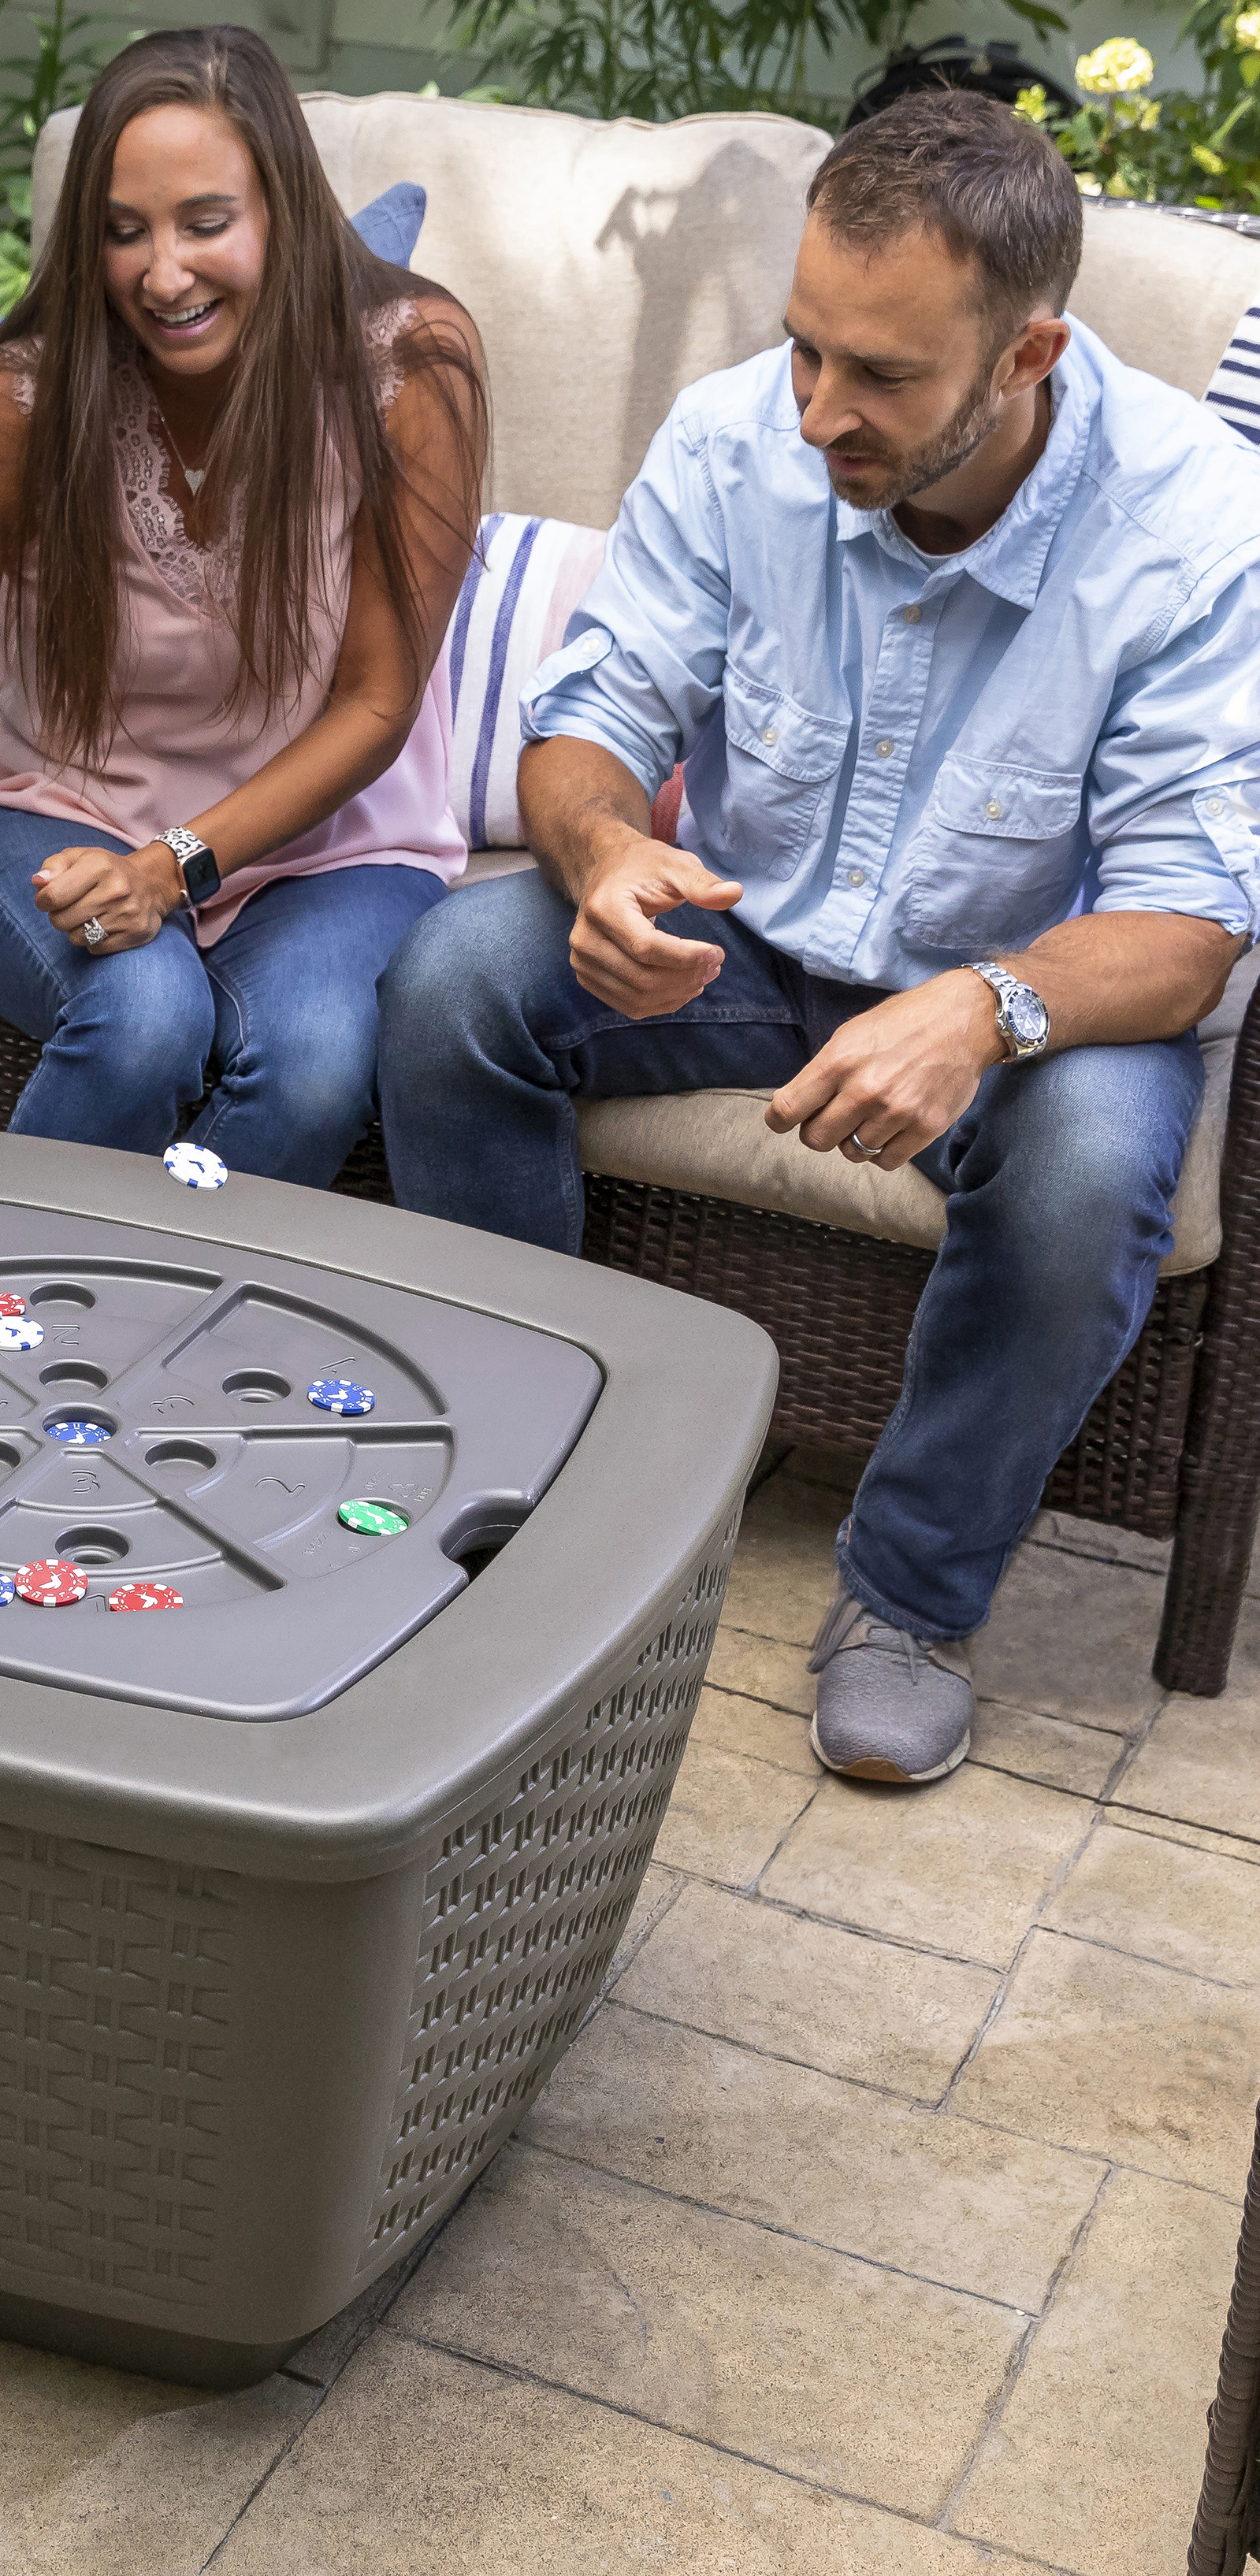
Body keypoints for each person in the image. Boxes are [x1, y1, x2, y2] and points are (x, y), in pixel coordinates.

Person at [378, 92, 1260, 1786]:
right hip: (757, 943)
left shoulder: (1200, 532)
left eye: (880, 377)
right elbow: (585, 717)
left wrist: (979, 1010)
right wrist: (607, 852)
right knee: (450, 982)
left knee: (1089, 1169)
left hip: (1047, 997)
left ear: (1027, 355)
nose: (816, 411)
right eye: (803, 349)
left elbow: (1184, 932)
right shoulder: (737, 440)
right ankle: (536, 1464)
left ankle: (908, 1599)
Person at [0, 26, 486, 1190]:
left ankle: (123, 1340)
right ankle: (0, 1315)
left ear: (282, 206)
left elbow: (380, 701)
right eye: (123, 232)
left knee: (317, 1066)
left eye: (205, 222)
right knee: (143, 1017)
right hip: (53, 802)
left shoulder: (409, 366)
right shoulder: (23, 399)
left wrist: (171, 866)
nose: (163, 274)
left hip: (335, 840)